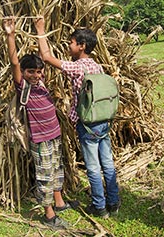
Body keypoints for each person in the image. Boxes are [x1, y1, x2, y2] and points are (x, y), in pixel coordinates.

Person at [34, 16, 120, 219]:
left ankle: (99, 206)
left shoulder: (76, 67)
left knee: (93, 166)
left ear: (81, 46)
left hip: (87, 124)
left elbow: (46, 57)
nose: (69, 46)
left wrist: (40, 29)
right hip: (103, 122)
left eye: (71, 43)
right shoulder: (97, 66)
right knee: (107, 163)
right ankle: (114, 202)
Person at [2, 17, 70, 229]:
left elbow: (44, 57)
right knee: (44, 175)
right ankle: (49, 215)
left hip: (54, 135)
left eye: (38, 71)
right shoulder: (23, 87)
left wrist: (40, 29)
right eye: (30, 71)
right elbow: (14, 61)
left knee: (57, 170)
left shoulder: (42, 83)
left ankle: (59, 203)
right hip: (40, 140)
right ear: (23, 73)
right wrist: (10, 35)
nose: (35, 75)